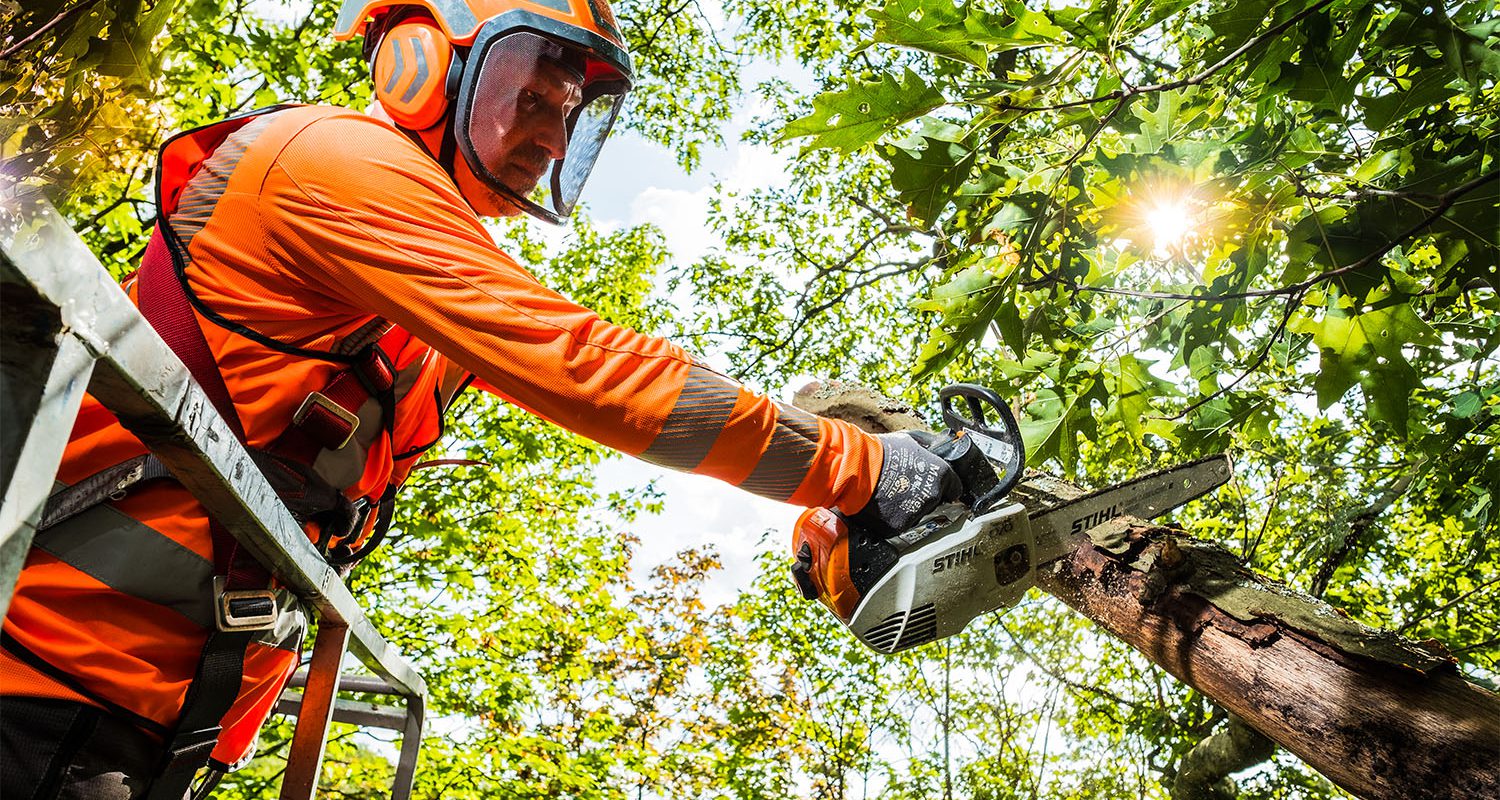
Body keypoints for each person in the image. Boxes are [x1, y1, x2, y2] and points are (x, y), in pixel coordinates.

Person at [0, 1, 959, 797]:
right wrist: (856, 468)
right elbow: (582, 365)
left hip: (153, 724)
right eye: (534, 95)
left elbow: (599, 399)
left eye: (572, 114)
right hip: (45, 688)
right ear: (421, 62)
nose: (552, 136)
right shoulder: (330, 159)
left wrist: (817, 499)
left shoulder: (416, 312)